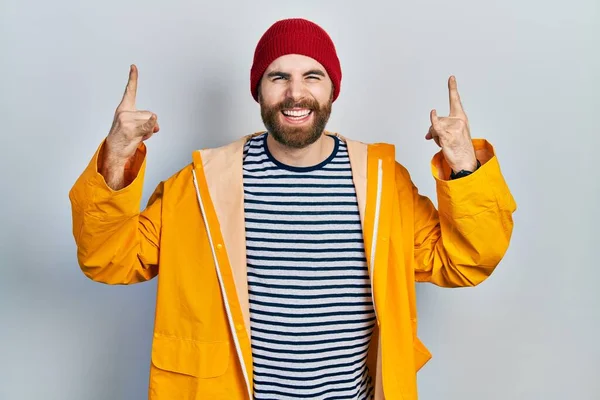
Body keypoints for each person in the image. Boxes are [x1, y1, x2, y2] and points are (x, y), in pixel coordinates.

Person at [69, 17, 516, 400]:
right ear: (258, 91)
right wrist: (115, 158)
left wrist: (462, 164)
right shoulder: (200, 186)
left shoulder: (382, 182)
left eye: (312, 76)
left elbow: (465, 261)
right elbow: (109, 259)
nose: (294, 93)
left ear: (332, 90)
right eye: (278, 77)